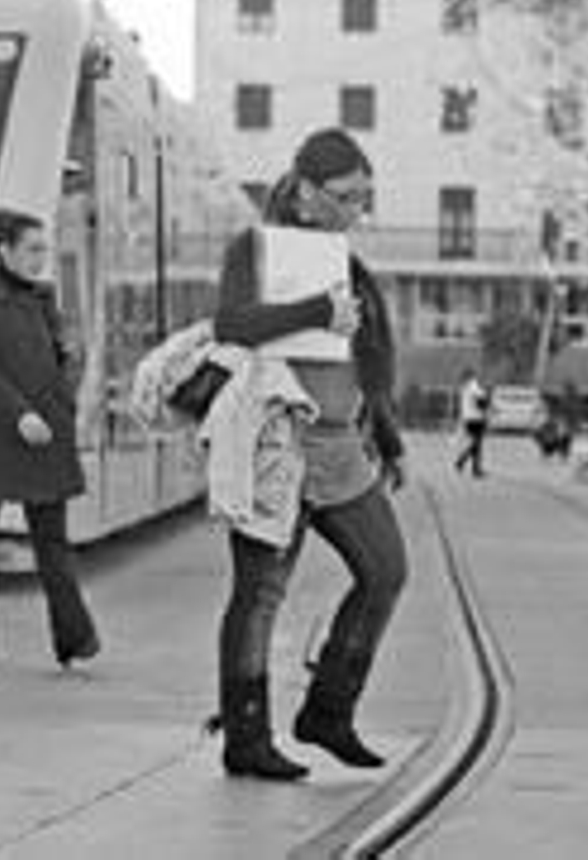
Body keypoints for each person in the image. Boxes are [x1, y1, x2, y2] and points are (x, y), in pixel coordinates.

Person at [210, 127, 407, 780]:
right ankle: (245, 737)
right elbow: (232, 324)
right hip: (276, 440)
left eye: (365, 198)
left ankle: (328, 711)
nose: (359, 211)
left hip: (342, 445)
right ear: (306, 193)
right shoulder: (256, 248)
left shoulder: (346, 261)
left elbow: (366, 358)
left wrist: (388, 435)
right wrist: (316, 309)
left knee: (385, 571)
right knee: (261, 592)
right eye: (348, 197)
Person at [0, 208, 100, 668]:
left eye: (43, 250)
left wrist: (66, 395)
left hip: (45, 430)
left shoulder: (44, 297)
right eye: (32, 250)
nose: (40, 259)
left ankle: (73, 638)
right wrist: (20, 414)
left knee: (52, 543)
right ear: (4, 251)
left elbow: (61, 357)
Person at [453, 368, 490, 477]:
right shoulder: (474, 386)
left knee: (475, 444)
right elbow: (481, 400)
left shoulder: (464, 388)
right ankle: (468, 466)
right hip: (476, 418)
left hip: (467, 418)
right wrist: (486, 394)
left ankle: (468, 465)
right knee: (477, 444)